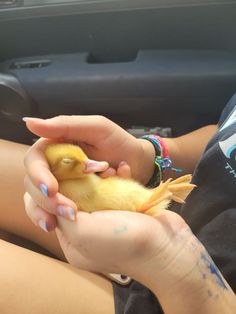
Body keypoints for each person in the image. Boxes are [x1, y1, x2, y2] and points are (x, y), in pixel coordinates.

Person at [0, 94, 235, 313]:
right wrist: (147, 157)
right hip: (166, 218)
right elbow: (221, 134)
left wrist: (171, 265)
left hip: (185, 292)